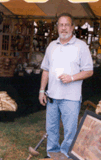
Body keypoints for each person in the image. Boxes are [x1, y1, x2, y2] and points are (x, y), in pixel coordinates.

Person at [39, 13, 93, 158]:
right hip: (52, 96)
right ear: (57, 27)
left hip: (71, 97)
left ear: (72, 27)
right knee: (51, 128)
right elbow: (45, 70)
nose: (63, 28)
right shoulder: (52, 46)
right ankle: (52, 153)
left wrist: (72, 78)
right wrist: (42, 90)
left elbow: (89, 71)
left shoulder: (81, 46)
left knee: (70, 130)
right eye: (61, 25)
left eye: (66, 25)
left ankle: (64, 154)